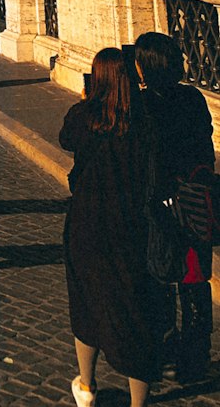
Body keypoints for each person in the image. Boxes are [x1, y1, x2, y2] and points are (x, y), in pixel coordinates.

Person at [59, 47, 163, 407]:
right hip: (132, 225)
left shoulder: (83, 116)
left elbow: (65, 140)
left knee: (86, 303)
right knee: (135, 313)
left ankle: (86, 386)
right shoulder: (145, 119)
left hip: (87, 223)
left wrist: (87, 101)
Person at [134, 30, 215, 382]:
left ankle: (166, 353)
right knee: (195, 279)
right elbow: (205, 147)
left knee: (162, 277)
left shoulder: (143, 105)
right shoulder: (193, 98)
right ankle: (196, 356)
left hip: (161, 202)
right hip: (196, 199)